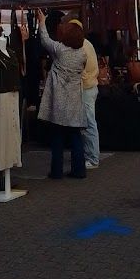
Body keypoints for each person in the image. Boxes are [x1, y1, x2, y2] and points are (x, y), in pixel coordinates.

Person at [36, 10, 88, 179]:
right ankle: (79, 170)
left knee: (57, 137)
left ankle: (56, 171)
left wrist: (42, 22)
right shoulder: (82, 55)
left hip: (59, 101)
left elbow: (45, 40)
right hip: (75, 102)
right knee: (75, 137)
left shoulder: (60, 50)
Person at [81, 30, 100, 169]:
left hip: (86, 88)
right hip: (92, 85)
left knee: (88, 123)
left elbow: (80, 70)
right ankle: (90, 155)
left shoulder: (81, 47)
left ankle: (92, 158)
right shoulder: (88, 44)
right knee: (89, 123)